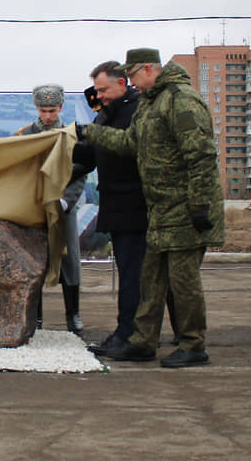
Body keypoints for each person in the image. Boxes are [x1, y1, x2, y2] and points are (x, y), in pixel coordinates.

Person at [77, 48, 224, 368]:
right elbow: (131, 142)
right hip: (159, 209)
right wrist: (89, 132)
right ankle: (142, 342)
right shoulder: (151, 103)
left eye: (131, 77)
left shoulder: (181, 99)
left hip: (184, 207)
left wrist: (199, 205)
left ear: (147, 69)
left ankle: (193, 345)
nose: (131, 83)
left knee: (183, 283)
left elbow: (200, 156)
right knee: (151, 280)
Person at [76, 62, 150, 354]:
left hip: (135, 208)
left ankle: (131, 336)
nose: (100, 96)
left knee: (134, 277)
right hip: (117, 208)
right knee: (129, 275)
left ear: (122, 83)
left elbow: (128, 149)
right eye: (96, 91)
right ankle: (125, 333)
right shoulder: (109, 113)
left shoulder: (137, 112)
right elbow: (90, 155)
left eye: (103, 89)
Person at [17, 84, 86, 334]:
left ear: (60, 107)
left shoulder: (72, 135)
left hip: (62, 206)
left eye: (52, 110)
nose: (48, 116)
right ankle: (35, 317)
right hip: (35, 207)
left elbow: (81, 172)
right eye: (44, 110)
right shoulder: (25, 135)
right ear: (36, 108)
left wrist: (67, 200)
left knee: (70, 260)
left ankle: (73, 315)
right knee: (34, 260)